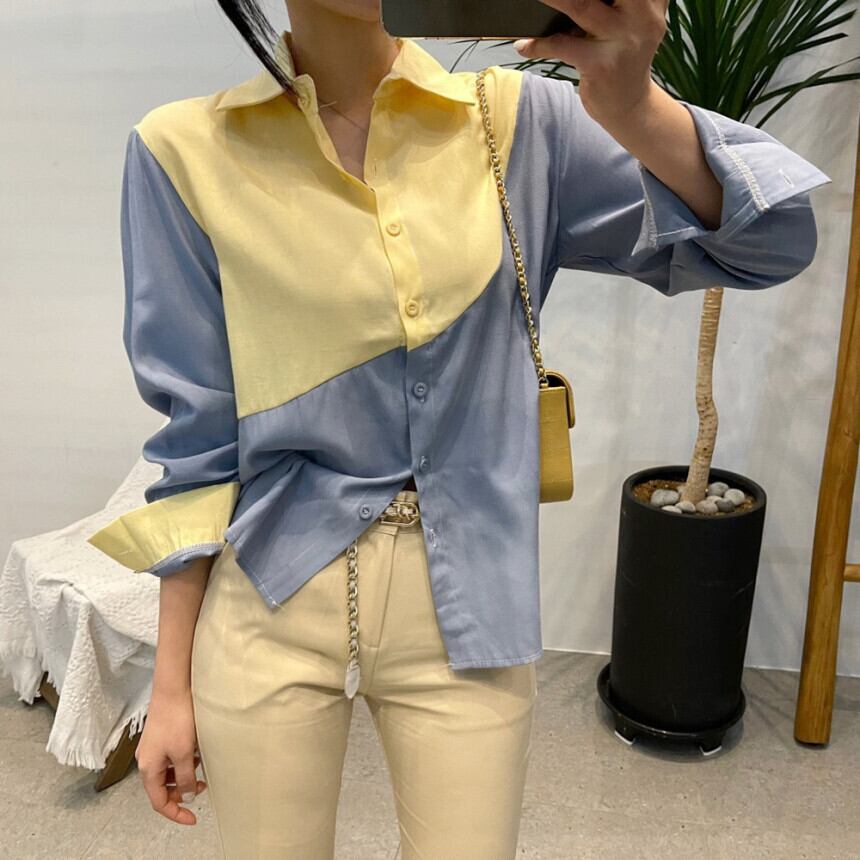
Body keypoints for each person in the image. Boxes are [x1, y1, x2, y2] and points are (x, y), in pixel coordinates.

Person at [86, 0, 830, 856]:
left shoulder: (519, 124)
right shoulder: (183, 151)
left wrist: (634, 105)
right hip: (269, 596)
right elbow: (198, 443)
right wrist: (170, 684)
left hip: (470, 599)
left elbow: (775, 241)